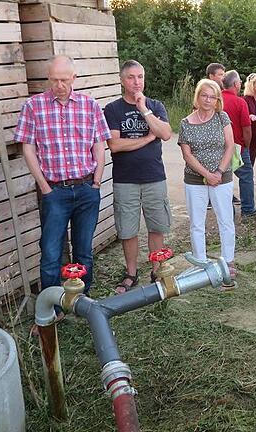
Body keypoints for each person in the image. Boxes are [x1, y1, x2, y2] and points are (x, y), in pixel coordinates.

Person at [15, 55, 111, 297]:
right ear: (49, 78)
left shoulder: (89, 105)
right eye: (55, 80)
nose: (59, 85)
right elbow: (28, 147)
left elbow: (99, 143)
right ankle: (51, 305)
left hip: (86, 187)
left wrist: (97, 180)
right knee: (50, 252)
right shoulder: (33, 106)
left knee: (83, 250)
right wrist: (44, 186)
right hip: (54, 191)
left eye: (64, 80)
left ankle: (81, 299)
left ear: (74, 78)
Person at [103, 60, 172, 293]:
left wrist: (144, 109)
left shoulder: (155, 105)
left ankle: (157, 269)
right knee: (128, 229)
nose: (136, 82)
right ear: (122, 80)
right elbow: (114, 144)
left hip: (154, 176)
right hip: (126, 179)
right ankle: (131, 273)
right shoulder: (112, 109)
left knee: (156, 226)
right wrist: (145, 139)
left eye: (140, 77)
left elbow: (164, 133)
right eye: (131, 77)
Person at [178, 79, 237, 287]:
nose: (208, 100)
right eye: (204, 95)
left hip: (222, 177)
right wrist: (206, 175)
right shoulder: (186, 122)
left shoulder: (222, 117)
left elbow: (230, 145)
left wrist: (218, 172)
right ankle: (201, 262)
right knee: (196, 222)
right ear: (197, 96)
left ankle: (228, 261)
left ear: (217, 100)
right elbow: (187, 155)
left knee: (225, 220)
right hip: (195, 179)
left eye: (213, 97)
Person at [222, 70, 256, 218]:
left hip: (218, 146)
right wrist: (246, 145)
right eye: (239, 81)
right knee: (246, 175)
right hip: (237, 145)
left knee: (223, 177)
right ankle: (247, 209)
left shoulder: (215, 99)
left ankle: (226, 210)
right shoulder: (240, 102)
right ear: (235, 84)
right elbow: (247, 128)